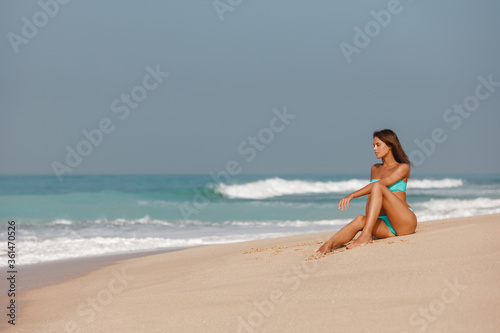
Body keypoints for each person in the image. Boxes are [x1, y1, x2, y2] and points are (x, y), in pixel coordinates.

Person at [317, 129, 417, 253]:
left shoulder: (403, 167)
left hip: (404, 221)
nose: (374, 149)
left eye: (378, 145)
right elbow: (372, 197)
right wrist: (368, 219)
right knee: (360, 219)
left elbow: (379, 185)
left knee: (377, 186)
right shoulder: (375, 168)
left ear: (390, 145)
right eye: (373, 145)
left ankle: (366, 235)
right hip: (385, 224)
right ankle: (327, 246)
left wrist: (352, 195)